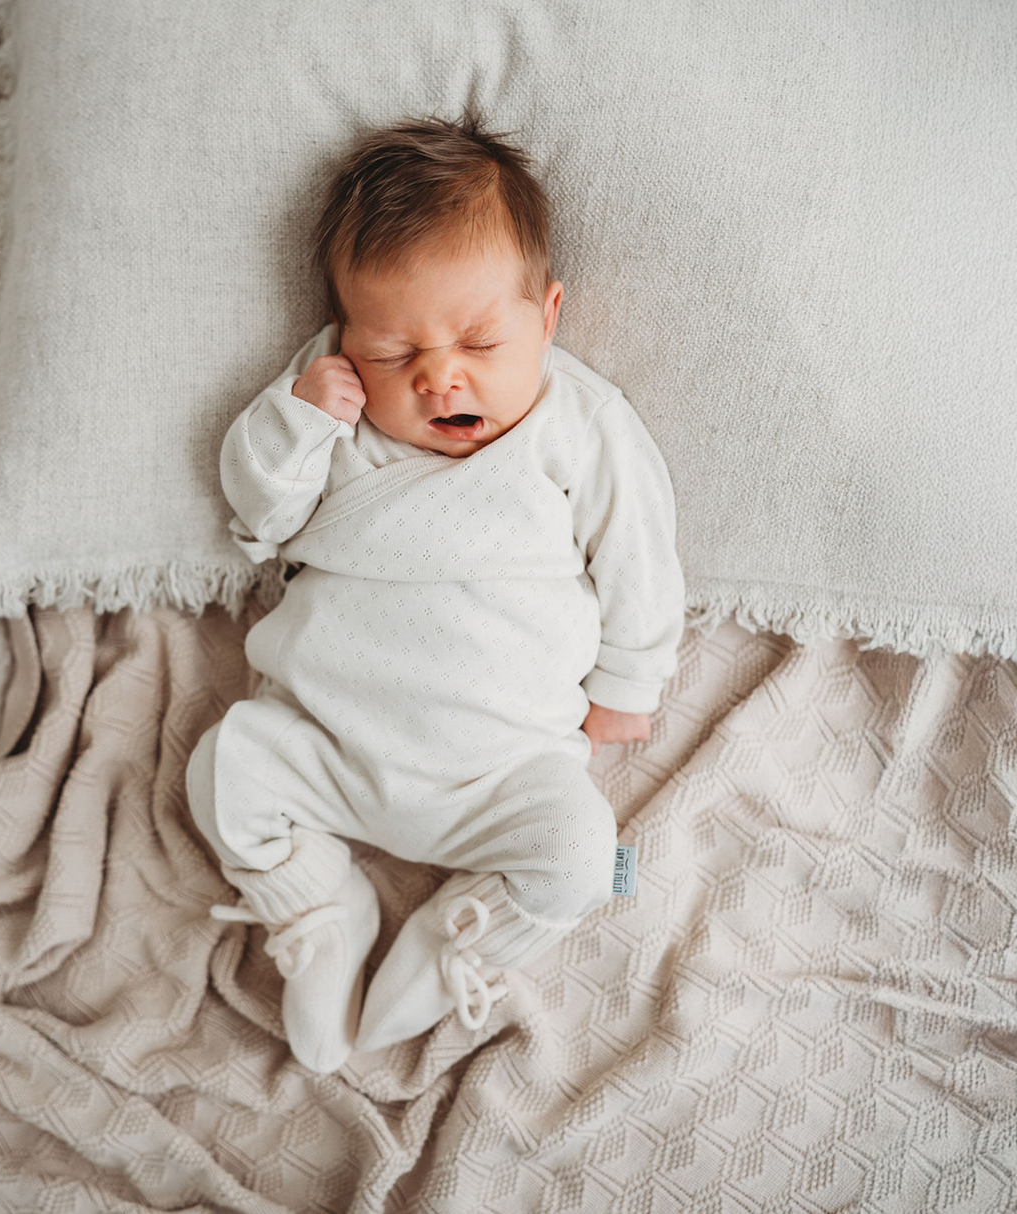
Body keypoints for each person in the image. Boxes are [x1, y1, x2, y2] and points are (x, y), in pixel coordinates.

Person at [185, 110, 685, 1073]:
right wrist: (296, 423)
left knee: (579, 851)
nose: (438, 378)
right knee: (222, 770)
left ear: (548, 316)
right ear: (342, 337)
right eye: (392, 353)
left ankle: (462, 934)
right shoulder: (326, 401)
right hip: (327, 735)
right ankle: (323, 907)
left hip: (503, 770)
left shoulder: (577, 426)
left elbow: (639, 551)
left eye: (479, 343)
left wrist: (630, 681)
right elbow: (261, 520)